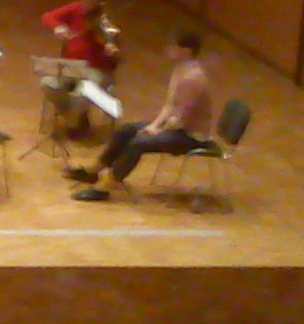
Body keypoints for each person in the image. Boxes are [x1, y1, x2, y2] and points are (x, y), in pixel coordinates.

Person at [65, 29, 213, 201]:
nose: (169, 49)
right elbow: (169, 106)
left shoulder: (192, 78)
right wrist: (154, 126)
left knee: (139, 142)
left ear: (186, 51)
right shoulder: (181, 70)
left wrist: (158, 130)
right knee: (127, 129)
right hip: (176, 127)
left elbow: (181, 118)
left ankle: (108, 184)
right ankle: (95, 170)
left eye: (174, 46)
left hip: (190, 135)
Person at [41, 0, 119, 77]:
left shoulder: (104, 14)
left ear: (99, 0)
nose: (88, 5)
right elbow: (47, 16)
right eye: (86, 0)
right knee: (48, 82)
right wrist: (57, 26)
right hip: (71, 63)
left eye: (92, 1)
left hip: (94, 67)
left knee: (88, 83)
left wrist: (111, 45)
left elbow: (110, 33)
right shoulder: (75, 8)